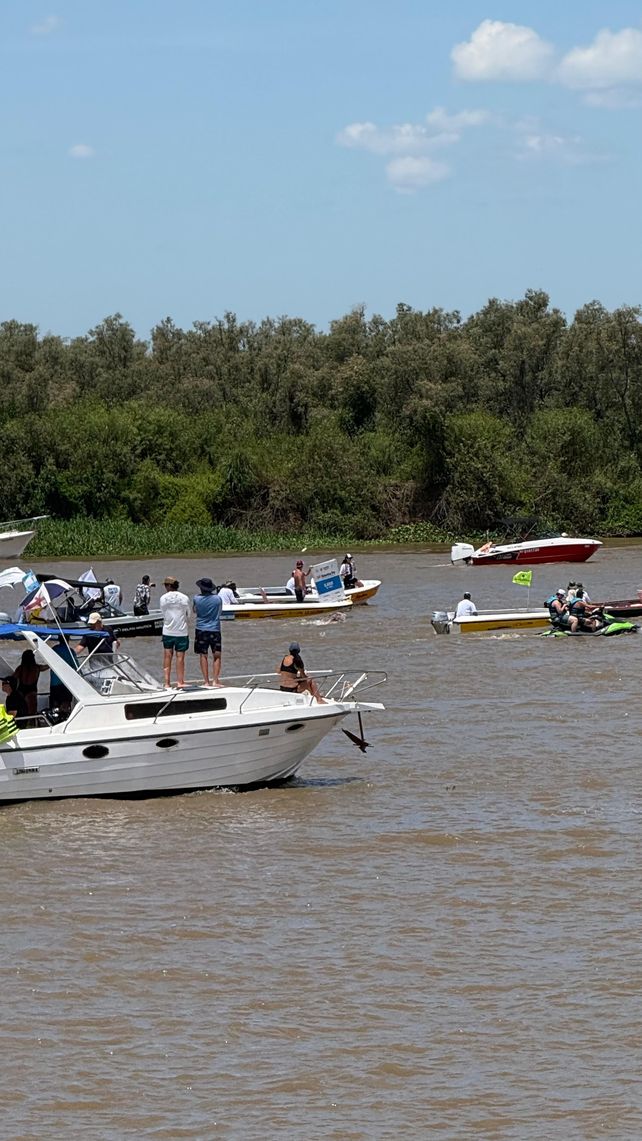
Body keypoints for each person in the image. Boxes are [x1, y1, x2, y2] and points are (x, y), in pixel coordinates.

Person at [160, 575, 191, 688]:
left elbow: (163, 612)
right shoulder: (184, 597)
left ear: (168, 585)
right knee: (180, 657)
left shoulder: (163, 598)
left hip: (168, 630)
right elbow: (189, 614)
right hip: (181, 631)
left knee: (167, 656)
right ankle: (180, 681)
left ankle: (167, 682)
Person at [193, 577, 223, 687]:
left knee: (203, 655)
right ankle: (215, 680)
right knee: (217, 655)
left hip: (201, 629)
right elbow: (220, 611)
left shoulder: (196, 598)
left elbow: (194, 610)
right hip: (215, 629)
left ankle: (206, 681)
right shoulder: (217, 599)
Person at [49, 634, 79, 716]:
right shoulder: (70, 651)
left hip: (54, 682)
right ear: (68, 639)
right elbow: (76, 667)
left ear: (59, 639)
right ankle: (65, 718)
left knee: (55, 704)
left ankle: (54, 719)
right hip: (66, 683)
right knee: (65, 704)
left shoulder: (54, 649)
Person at [14, 649, 48, 719]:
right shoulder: (37, 667)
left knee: (21, 711)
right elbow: (47, 666)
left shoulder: (20, 668)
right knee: (32, 712)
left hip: (20, 691)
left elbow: (13, 678)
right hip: (31, 691)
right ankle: (32, 724)